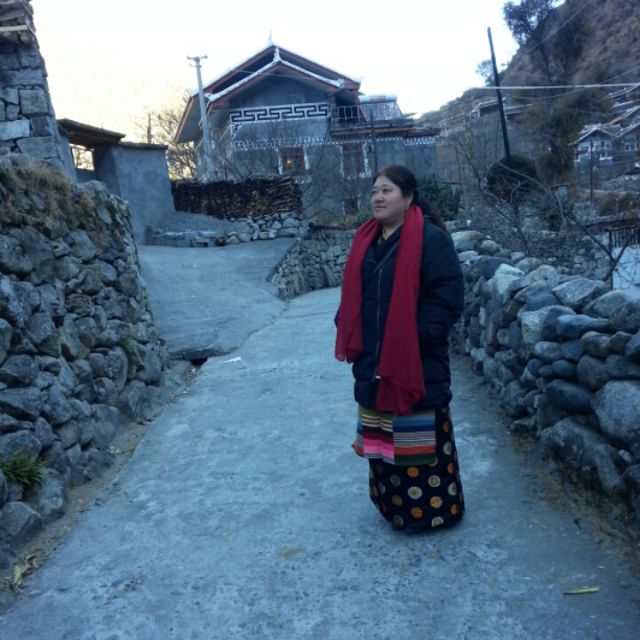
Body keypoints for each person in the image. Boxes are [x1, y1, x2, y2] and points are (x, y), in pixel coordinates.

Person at [335, 165, 465, 532]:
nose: (377, 197)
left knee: (417, 434)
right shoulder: (366, 241)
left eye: (387, 190)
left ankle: (433, 512)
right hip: (372, 360)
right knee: (383, 437)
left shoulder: (430, 240)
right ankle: (393, 508)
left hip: (416, 358)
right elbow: (355, 295)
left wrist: (411, 338)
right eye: (374, 191)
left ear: (408, 198)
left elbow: (448, 298)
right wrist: (346, 322)